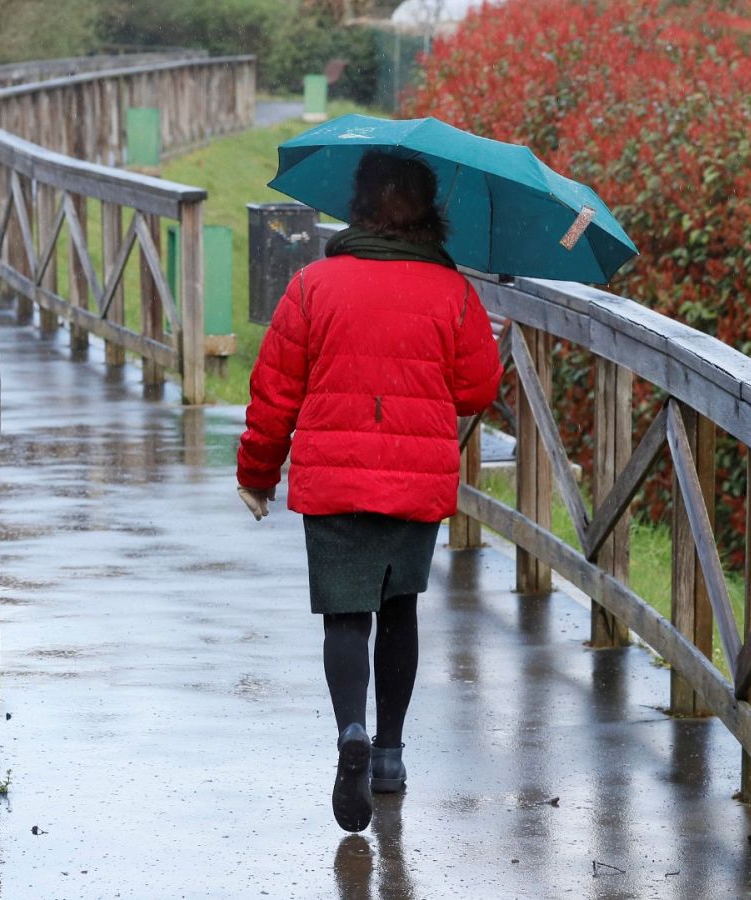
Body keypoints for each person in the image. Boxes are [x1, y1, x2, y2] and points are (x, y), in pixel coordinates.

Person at [235, 150, 503, 833]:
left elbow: (274, 392)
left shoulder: (314, 284)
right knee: (400, 608)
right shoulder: (454, 292)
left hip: (333, 474)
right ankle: (387, 755)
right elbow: (476, 390)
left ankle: (349, 728)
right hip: (416, 479)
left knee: (345, 617)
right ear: (430, 212)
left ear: (357, 207)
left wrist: (257, 474)